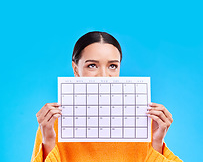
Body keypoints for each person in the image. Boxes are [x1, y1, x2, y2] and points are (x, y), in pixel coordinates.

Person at [31, 31, 182, 162]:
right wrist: (48, 139)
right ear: (76, 70)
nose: (104, 76)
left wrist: (157, 141)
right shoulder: (52, 124)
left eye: (112, 66)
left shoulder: (144, 121)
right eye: (92, 65)